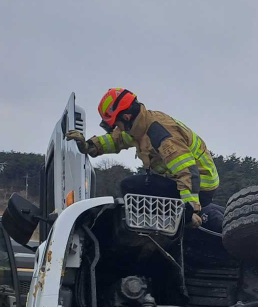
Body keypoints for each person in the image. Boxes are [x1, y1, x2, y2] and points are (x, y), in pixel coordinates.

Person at [65, 88, 220, 229]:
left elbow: (187, 172)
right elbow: (115, 140)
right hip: (186, 182)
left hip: (199, 187)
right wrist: (88, 145)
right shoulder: (138, 127)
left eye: (116, 124)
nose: (117, 129)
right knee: (137, 186)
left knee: (132, 186)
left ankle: (161, 232)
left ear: (126, 117)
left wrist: (191, 210)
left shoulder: (160, 134)